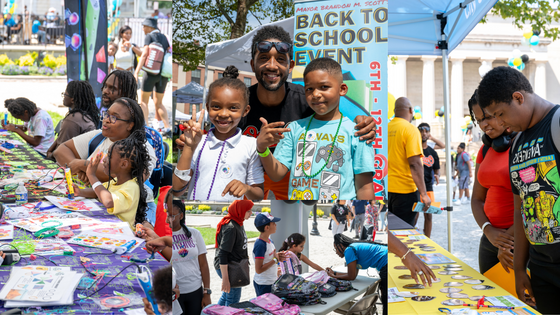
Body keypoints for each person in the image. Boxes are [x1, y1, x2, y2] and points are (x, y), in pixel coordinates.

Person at [174, 25, 377, 200]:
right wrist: (191, 145)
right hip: (245, 180)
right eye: (263, 58)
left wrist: (362, 120)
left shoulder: (306, 98)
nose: (272, 65)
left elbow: (339, 114)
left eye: (280, 59)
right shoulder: (238, 102)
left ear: (290, 66)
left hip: (291, 182)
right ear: (253, 65)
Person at [477, 66, 560, 312]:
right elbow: (520, 209)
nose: (501, 123)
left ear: (518, 98)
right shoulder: (516, 145)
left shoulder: (556, 124)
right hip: (542, 267)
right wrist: (521, 269)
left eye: (501, 114)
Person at [257, 58, 375, 200]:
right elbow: (276, 174)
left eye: (324, 87)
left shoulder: (358, 132)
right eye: (309, 89)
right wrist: (262, 149)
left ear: (342, 89)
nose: (316, 94)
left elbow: (365, 186)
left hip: (339, 214)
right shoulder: (294, 128)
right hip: (299, 214)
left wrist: (367, 219)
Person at [53, 98, 158, 227]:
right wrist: (84, 176)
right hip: (101, 202)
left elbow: (130, 178)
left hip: (135, 211)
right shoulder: (100, 136)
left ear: (130, 124)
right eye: (107, 114)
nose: (106, 119)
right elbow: (60, 152)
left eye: (114, 117)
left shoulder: (142, 150)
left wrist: (86, 168)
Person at [172, 66, 264, 201]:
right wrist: (189, 147)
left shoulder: (251, 145)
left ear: (245, 111)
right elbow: (176, 190)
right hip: (196, 217)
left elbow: (259, 194)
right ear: (208, 108)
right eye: (216, 106)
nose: (223, 114)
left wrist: (247, 188)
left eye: (233, 108)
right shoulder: (198, 142)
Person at [467, 90, 515, 275]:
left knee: (520, 301)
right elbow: (477, 199)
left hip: (516, 241)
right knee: (489, 300)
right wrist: (488, 230)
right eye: (479, 120)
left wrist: (506, 240)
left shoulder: (525, 147)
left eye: (488, 117)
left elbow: (533, 204)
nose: (483, 124)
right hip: (489, 241)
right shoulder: (485, 150)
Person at [72, 130, 149, 231]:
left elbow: (108, 201)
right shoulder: (116, 181)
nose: (104, 159)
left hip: (122, 234)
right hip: (108, 228)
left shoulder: (132, 187)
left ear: (123, 164)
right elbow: (99, 192)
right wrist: (80, 192)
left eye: (109, 156)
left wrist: (91, 175)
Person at [164, 193, 211, 314]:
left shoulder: (195, 234)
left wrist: (206, 292)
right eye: (167, 215)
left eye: (172, 216)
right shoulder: (164, 238)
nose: (167, 219)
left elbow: (204, 265)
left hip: (195, 291)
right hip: (175, 294)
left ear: (181, 216)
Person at [387, 97, 431, 226]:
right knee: (403, 234)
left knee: (389, 235)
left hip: (384, 190)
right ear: (411, 110)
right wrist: (424, 193)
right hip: (405, 192)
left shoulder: (384, 128)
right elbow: (415, 164)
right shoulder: (410, 129)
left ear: (395, 110)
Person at [326, 234, 388, 315]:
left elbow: (351, 276)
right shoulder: (354, 247)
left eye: (336, 249)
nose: (336, 252)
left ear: (340, 245)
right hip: (387, 260)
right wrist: (334, 273)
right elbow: (353, 274)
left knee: (386, 299)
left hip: (386, 263)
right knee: (387, 298)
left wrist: (334, 276)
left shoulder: (349, 250)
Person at [46, 81, 100, 160]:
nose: (64, 96)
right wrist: (50, 151)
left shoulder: (73, 119)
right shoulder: (87, 115)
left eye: (65, 94)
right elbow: (61, 138)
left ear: (73, 99)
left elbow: (60, 150)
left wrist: (50, 154)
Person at [134, 17, 171, 134]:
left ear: (150, 27)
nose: (143, 29)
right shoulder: (164, 37)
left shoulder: (149, 36)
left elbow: (144, 54)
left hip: (150, 74)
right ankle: (168, 128)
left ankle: (147, 128)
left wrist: (136, 72)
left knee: (143, 101)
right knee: (159, 103)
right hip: (162, 75)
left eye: (144, 26)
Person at [214, 200, 254, 306]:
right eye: (248, 211)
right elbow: (222, 254)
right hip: (230, 268)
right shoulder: (231, 227)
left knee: (226, 296)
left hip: (235, 267)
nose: (251, 213)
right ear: (240, 211)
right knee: (233, 301)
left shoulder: (238, 222)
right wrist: (226, 280)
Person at [417, 122, 444, 237]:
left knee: (429, 214)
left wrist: (437, 175)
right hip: (414, 186)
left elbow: (436, 170)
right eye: (421, 131)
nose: (424, 133)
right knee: (414, 214)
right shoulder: (412, 148)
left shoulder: (432, 152)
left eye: (426, 131)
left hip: (428, 187)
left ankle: (427, 239)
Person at [253, 213, 284, 296]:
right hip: (263, 284)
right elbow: (258, 269)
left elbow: (270, 258)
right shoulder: (260, 245)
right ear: (267, 228)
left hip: (271, 281)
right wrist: (275, 260)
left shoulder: (270, 241)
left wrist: (278, 256)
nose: (276, 225)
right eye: (273, 223)